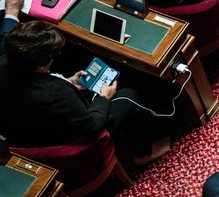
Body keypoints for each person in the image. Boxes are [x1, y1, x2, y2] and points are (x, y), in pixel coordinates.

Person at [0, 21, 159, 163]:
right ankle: (143, 153)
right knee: (129, 95)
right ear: (41, 65)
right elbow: (92, 125)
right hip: (69, 140)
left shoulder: (4, 62)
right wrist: (104, 97)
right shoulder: (56, 92)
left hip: (25, 130)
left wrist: (69, 82)